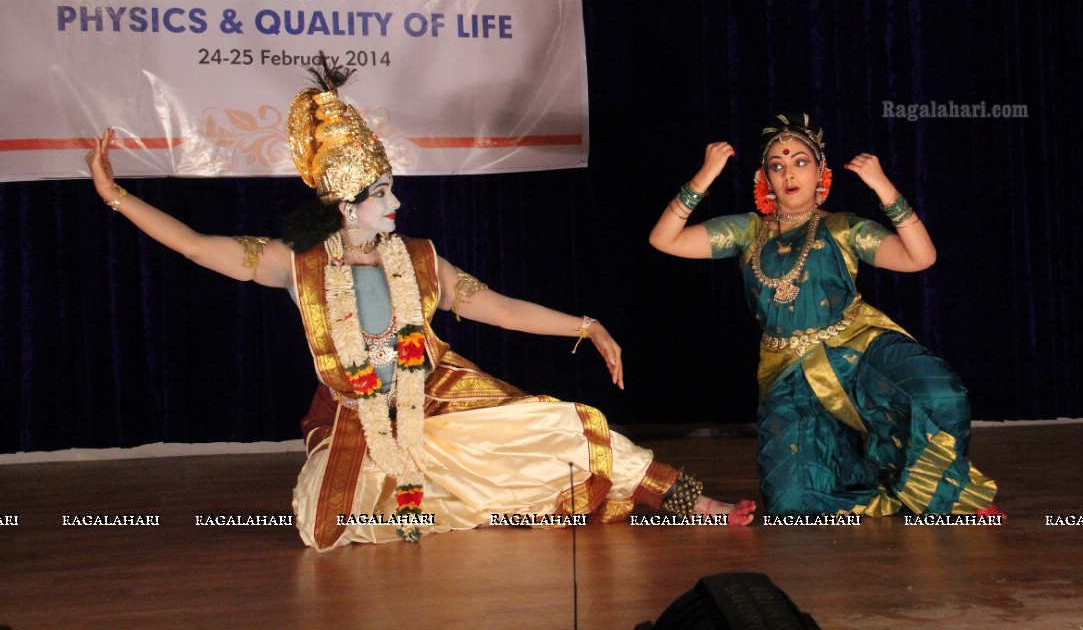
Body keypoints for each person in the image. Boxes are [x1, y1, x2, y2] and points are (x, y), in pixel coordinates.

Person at [86, 60, 754, 550]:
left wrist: (586, 324)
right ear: (347, 206)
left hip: (441, 405)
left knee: (569, 427)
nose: (397, 206)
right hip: (356, 422)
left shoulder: (424, 259)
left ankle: (694, 502)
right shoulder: (297, 261)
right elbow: (200, 247)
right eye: (383, 197)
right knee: (325, 527)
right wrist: (117, 197)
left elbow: (497, 306)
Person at [649, 113, 998, 518]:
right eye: (777, 166)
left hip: (859, 348)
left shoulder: (842, 229)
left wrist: (882, 186)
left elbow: (921, 258)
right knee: (791, 505)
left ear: (821, 174)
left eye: (800, 162)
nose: (789, 174)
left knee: (938, 393)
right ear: (765, 179)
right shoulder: (747, 231)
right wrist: (704, 177)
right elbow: (664, 239)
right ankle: (872, 491)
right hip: (788, 371)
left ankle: (939, 496)